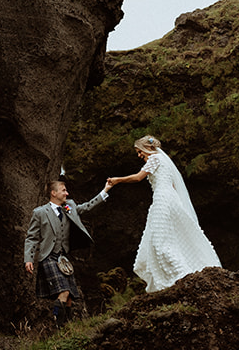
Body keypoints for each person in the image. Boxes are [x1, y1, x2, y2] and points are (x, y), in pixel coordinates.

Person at [106, 135, 221, 293]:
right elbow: (173, 185)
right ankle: (182, 273)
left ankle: (181, 275)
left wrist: (118, 180)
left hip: (162, 199)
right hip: (171, 198)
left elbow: (138, 177)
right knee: (169, 237)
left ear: (148, 148)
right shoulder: (165, 160)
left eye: (140, 152)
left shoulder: (154, 159)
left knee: (161, 241)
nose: (139, 155)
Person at [24, 175, 112, 327]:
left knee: (69, 297)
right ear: (53, 193)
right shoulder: (40, 212)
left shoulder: (69, 206)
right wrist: (28, 258)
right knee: (64, 292)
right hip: (49, 257)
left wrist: (105, 190)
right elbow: (31, 237)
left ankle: (66, 327)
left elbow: (87, 206)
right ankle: (58, 325)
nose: (67, 193)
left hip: (63, 258)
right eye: (63, 191)